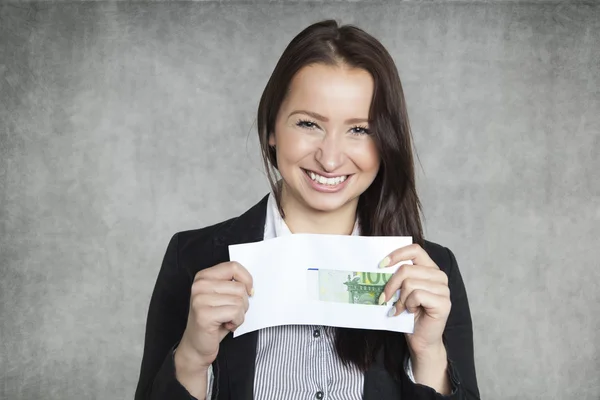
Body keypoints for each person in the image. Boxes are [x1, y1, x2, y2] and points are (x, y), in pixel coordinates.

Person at [134, 19, 480, 400]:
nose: (330, 159)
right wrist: (192, 358)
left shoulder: (432, 273)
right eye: (309, 124)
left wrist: (429, 354)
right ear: (271, 128)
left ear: (386, 142)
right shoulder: (193, 259)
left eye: (360, 130)